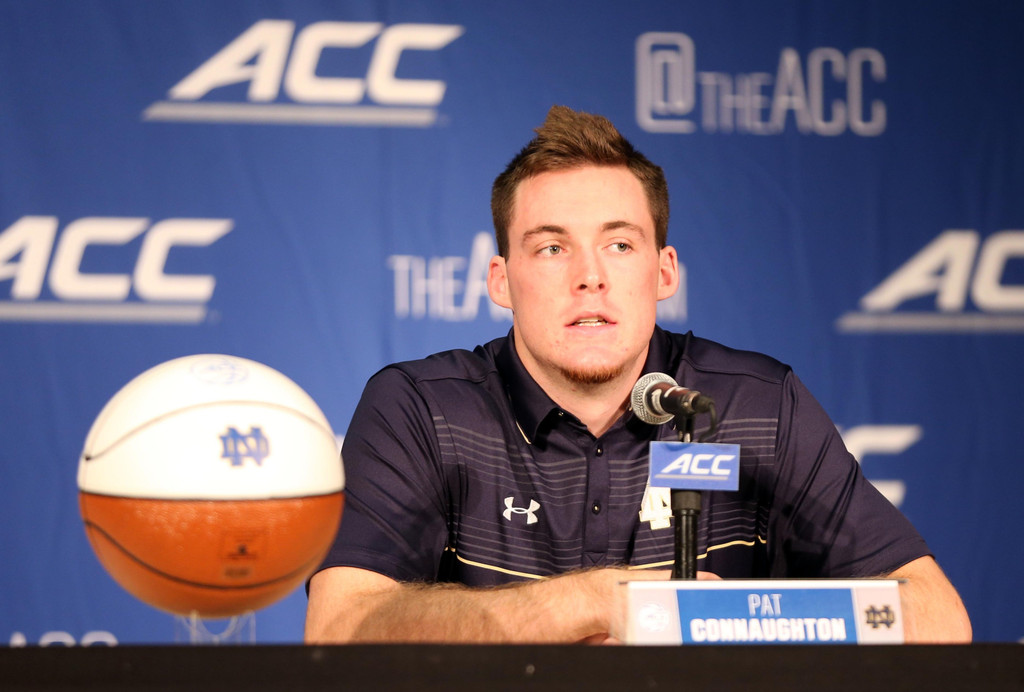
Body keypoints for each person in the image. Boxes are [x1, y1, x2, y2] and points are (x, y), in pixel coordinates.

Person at [305, 106, 971, 644]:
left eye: (619, 244)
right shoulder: (422, 410)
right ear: (500, 281)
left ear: (663, 272)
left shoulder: (759, 408)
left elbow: (938, 619)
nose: (589, 275)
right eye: (551, 246)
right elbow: (341, 627)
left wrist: (717, 623)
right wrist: (599, 602)